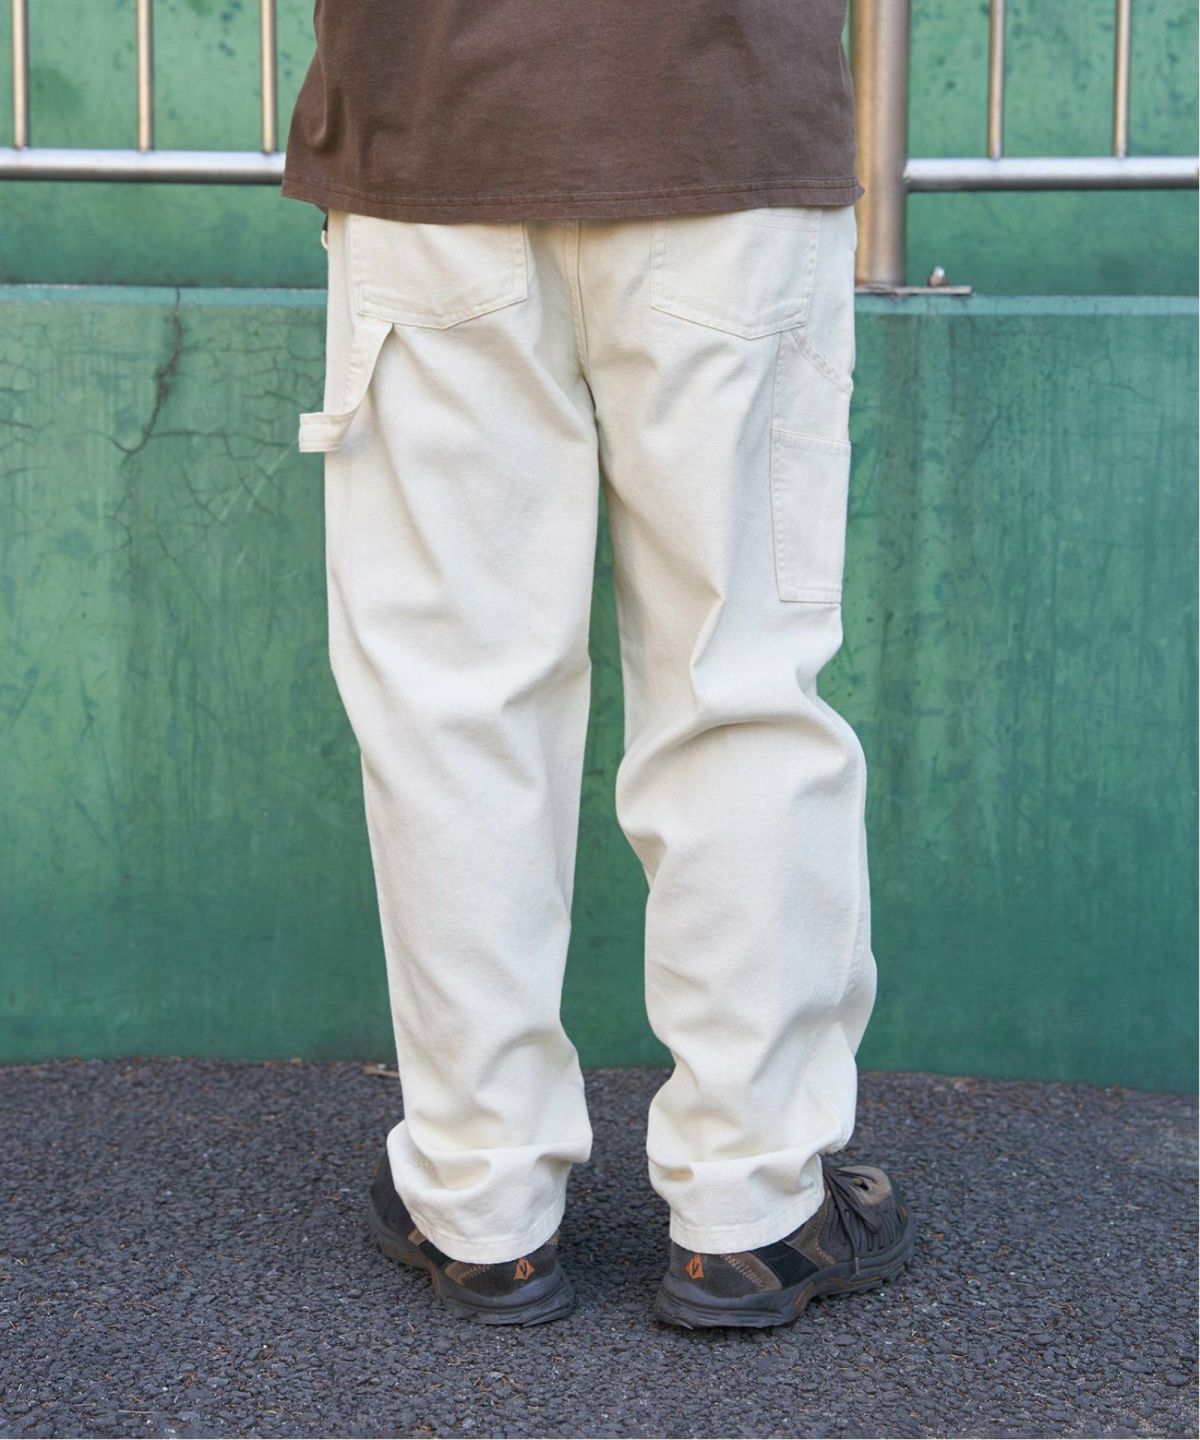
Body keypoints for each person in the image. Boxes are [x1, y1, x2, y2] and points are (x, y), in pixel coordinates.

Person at [281, 0, 915, 1329]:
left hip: (433, 121)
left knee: (454, 701)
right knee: (737, 690)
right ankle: (751, 1208)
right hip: (725, 119)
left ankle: (480, 1203)